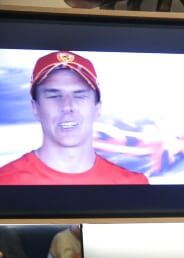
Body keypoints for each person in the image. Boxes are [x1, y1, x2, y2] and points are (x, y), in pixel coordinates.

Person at [0, 51, 149, 185]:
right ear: (35, 108)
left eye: (79, 95)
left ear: (97, 108)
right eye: (54, 96)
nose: (67, 106)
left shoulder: (134, 185)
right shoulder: (5, 181)